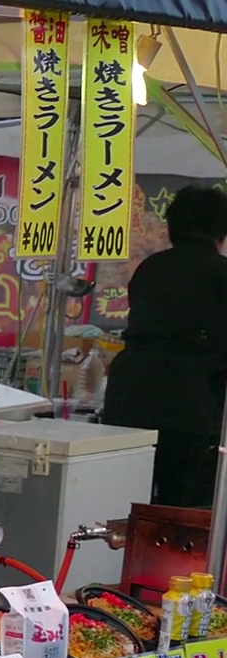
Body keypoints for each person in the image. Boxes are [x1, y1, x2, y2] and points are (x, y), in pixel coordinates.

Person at [103, 185, 227, 507]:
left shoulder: (150, 268)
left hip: (127, 398)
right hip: (190, 406)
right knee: (178, 512)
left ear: (171, 228)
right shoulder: (220, 273)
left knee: (122, 502)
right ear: (221, 233)